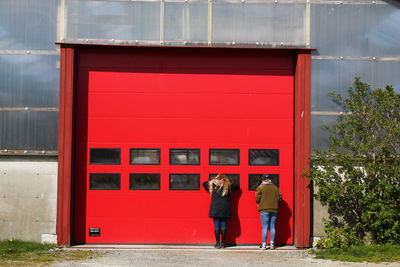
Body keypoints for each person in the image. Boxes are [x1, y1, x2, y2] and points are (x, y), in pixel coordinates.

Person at [202, 174, 239, 249]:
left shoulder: (212, 186)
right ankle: (223, 243)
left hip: (215, 208)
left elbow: (204, 183)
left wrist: (213, 181)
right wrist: (227, 181)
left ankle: (217, 243)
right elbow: (237, 186)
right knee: (223, 225)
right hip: (225, 208)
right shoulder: (228, 186)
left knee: (216, 226)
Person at [255, 174, 282, 250]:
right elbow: (280, 198)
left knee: (265, 227)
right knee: (272, 226)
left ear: (263, 180)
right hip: (274, 209)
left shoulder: (260, 187)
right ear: (270, 180)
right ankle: (272, 244)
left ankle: (264, 245)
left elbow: (257, 199)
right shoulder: (276, 188)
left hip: (264, 210)